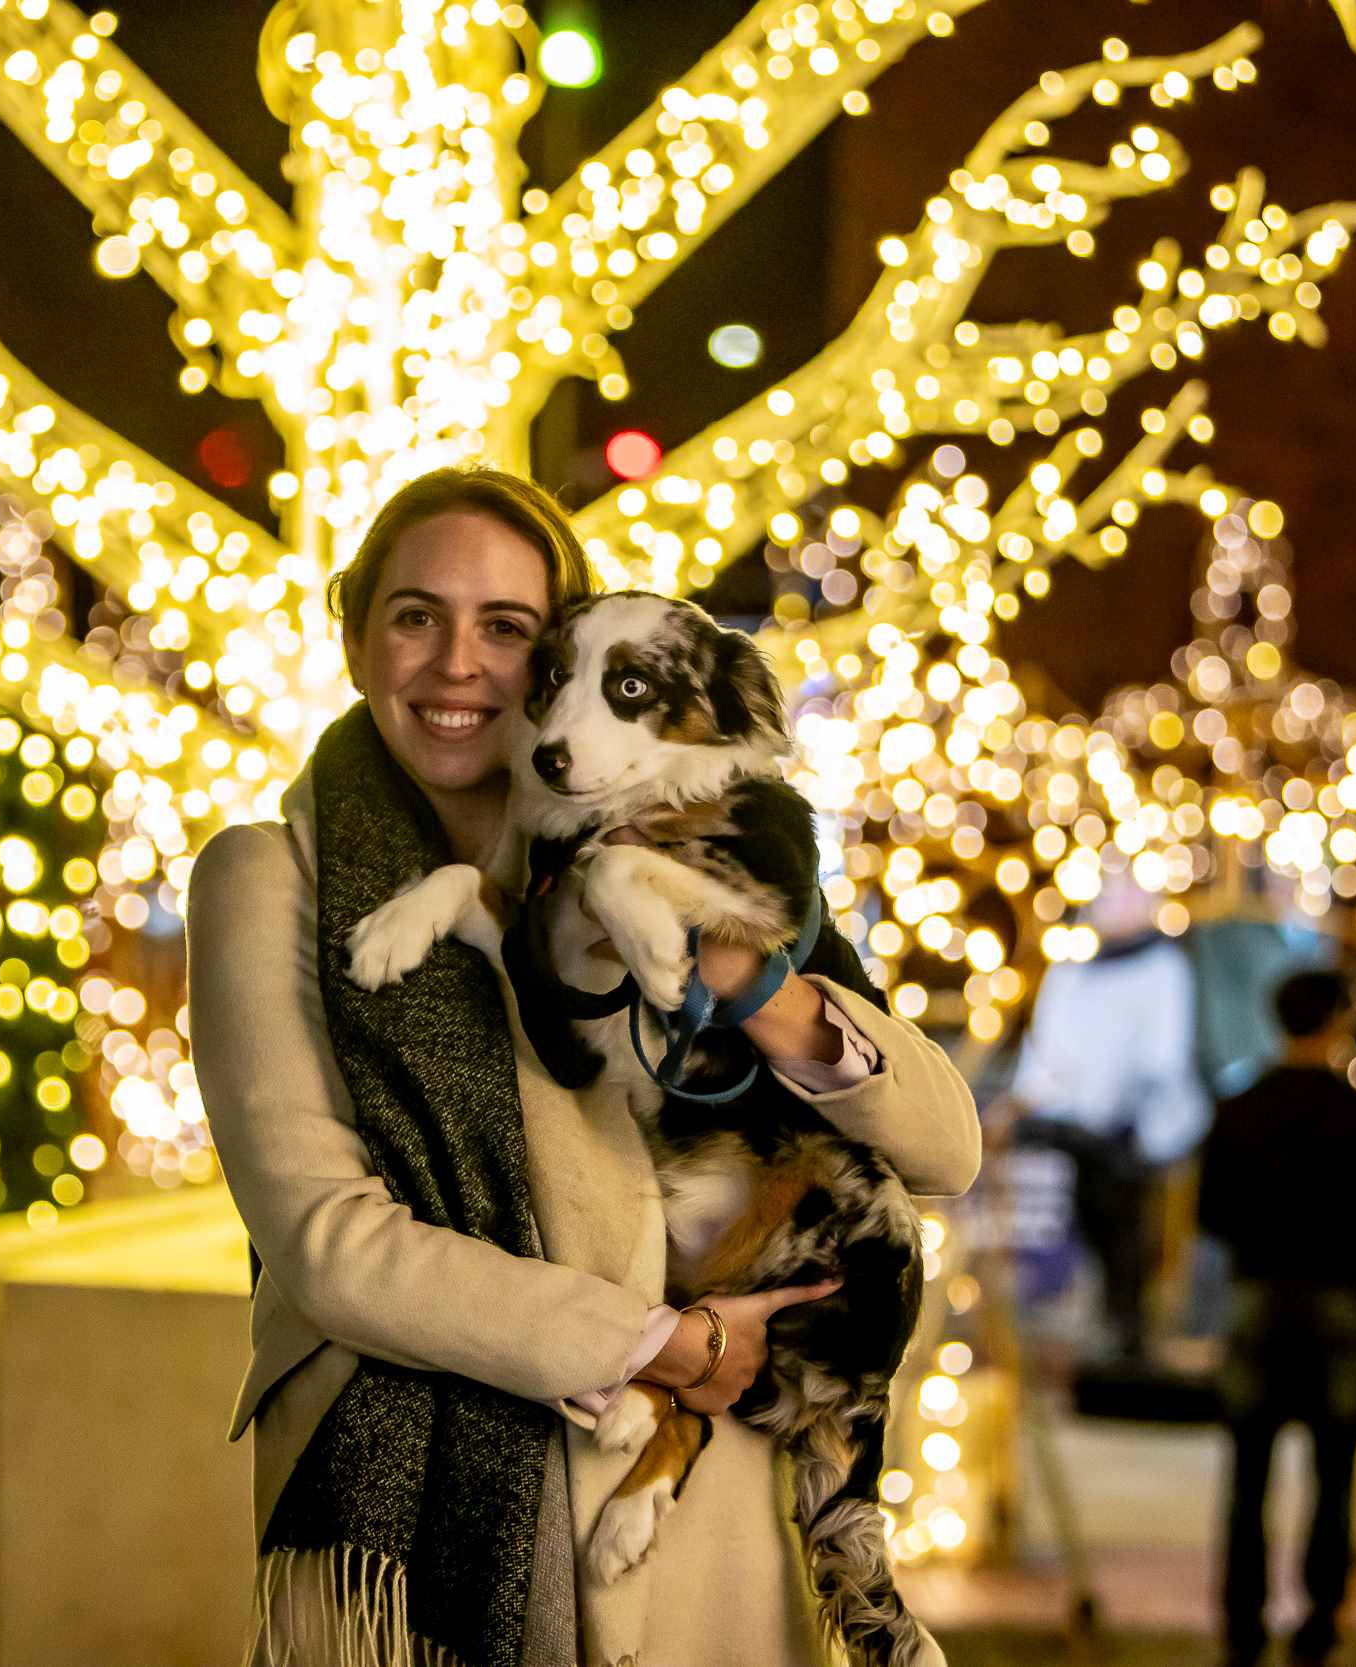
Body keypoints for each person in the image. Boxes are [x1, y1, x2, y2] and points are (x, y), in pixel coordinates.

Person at [186, 466, 981, 1667]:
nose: (459, 663)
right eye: (415, 615)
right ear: (355, 638)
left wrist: (760, 989)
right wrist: (657, 1345)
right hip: (424, 1527)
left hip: (698, 1505)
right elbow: (328, 1242)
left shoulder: (675, 839)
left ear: (555, 662)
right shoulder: (269, 878)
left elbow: (944, 1146)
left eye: (505, 628)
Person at [1195, 969, 1356, 1667]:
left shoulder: (1238, 1106)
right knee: (1336, 1471)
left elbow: (1211, 1214)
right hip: (1336, 1298)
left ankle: (1242, 1623)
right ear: (1337, 1021)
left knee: (1248, 1471)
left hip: (1257, 1294)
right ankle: (1319, 1620)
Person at [1004, 875, 1208, 1360]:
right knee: (1091, 1234)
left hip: (1133, 1135)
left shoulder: (1164, 970)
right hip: (1076, 1132)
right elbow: (1049, 1056)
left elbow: (1162, 1056)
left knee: (1131, 1242)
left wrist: (1124, 1116)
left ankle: (1131, 1335)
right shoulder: (1072, 972)